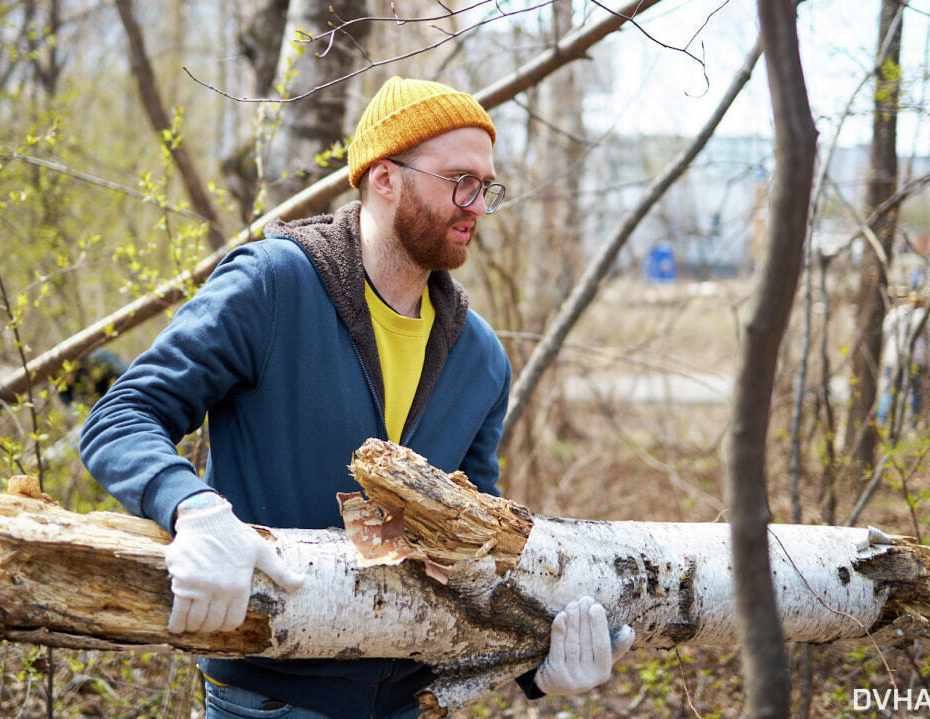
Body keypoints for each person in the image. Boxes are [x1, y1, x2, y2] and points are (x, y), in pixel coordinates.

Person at [79, 77, 634, 718]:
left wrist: (536, 664)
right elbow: (121, 416)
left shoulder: (481, 358)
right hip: (271, 698)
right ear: (384, 177)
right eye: (459, 180)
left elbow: (471, 555)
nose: (477, 205)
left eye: (486, 186)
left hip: (411, 704)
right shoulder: (273, 285)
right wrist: (192, 509)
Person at [877, 290, 930, 429]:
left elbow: (883, 337)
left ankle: (881, 422)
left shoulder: (895, 314)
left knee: (890, 391)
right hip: (916, 360)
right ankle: (913, 424)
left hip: (893, 359)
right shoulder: (926, 317)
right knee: (916, 392)